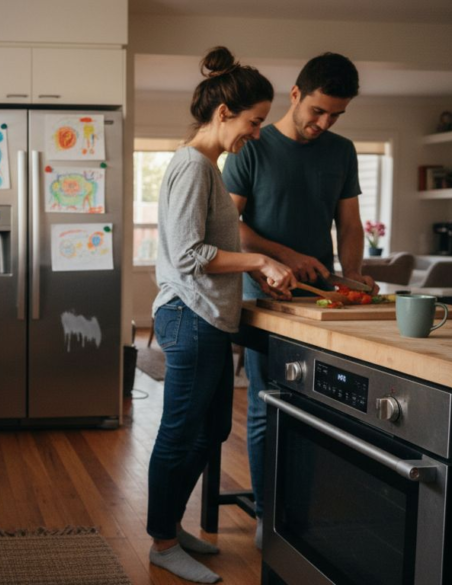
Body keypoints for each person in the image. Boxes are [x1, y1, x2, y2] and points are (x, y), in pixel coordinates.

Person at [148, 46, 296, 584]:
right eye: (254, 122)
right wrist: (258, 258)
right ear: (223, 113)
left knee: (208, 430)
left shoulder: (207, 166)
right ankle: (163, 542)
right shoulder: (192, 167)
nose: (256, 134)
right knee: (181, 432)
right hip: (190, 317)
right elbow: (189, 255)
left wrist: (250, 269)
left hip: (206, 317)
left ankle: (168, 526)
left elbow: (206, 250)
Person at [222, 52, 380, 550]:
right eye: (318, 110)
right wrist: (285, 254)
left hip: (321, 298)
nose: (324, 123)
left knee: (324, 408)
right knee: (271, 405)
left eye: (336, 115)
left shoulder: (343, 150)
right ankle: (271, 517)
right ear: (295, 95)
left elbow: (349, 223)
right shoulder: (252, 144)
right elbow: (231, 227)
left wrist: (351, 273)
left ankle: (310, 511)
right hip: (262, 297)